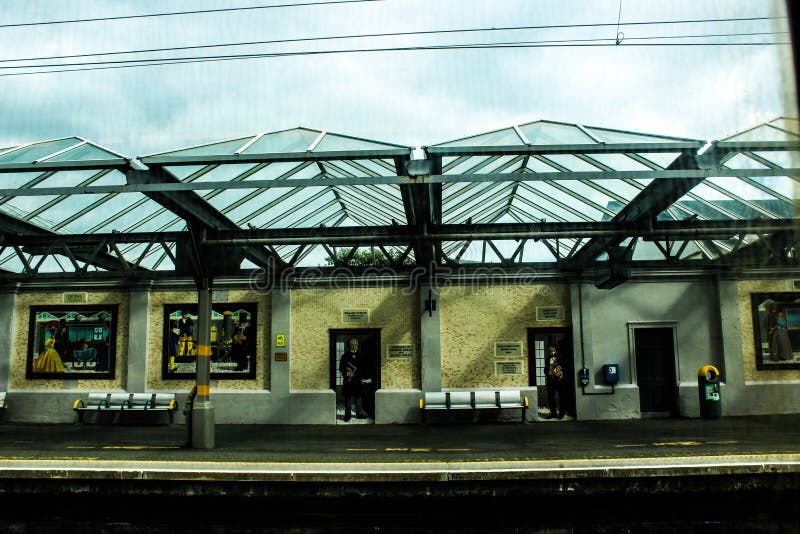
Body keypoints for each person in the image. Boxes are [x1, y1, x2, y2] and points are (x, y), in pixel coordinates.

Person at [338, 338, 372, 421]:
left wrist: (364, 378)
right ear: (349, 346)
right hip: (348, 381)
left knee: (358, 398)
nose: (354, 347)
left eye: (355, 345)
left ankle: (359, 414)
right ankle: (347, 416)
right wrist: (347, 373)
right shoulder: (344, 356)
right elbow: (341, 368)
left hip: (358, 380)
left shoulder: (361, 356)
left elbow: (364, 368)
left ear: (357, 345)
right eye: (352, 345)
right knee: (348, 399)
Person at [545, 344, 566, 419]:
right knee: (550, 397)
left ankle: (561, 414)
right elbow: (546, 367)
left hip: (559, 379)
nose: (549, 348)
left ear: (554, 348)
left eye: (550, 347)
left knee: (561, 397)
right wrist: (547, 373)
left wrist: (560, 375)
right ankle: (553, 413)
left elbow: (563, 366)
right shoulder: (548, 357)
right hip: (550, 379)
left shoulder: (560, 356)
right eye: (549, 347)